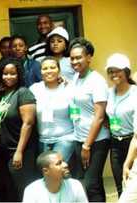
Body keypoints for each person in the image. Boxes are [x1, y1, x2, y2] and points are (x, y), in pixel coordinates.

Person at [68, 37, 110, 202]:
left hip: (96, 140)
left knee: (90, 183)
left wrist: (87, 145)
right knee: (94, 184)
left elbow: (99, 117)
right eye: (72, 58)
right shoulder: (76, 78)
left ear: (89, 58)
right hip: (79, 137)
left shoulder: (97, 81)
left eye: (79, 57)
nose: (75, 61)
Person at [0, 57, 38, 201]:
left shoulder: (23, 93)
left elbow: (28, 123)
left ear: (19, 74)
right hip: (3, 154)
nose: (9, 77)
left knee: (23, 192)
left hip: (21, 152)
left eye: (13, 73)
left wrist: (19, 152)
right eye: (5, 73)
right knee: (9, 193)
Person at [29, 57, 74, 162]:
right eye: (45, 68)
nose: (49, 71)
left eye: (52, 67)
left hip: (65, 138)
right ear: (40, 71)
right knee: (49, 172)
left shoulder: (68, 87)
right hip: (43, 140)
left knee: (53, 167)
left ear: (59, 70)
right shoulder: (34, 89)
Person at [105, 53, 137, 197]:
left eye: (118, 70)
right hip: (116, 143)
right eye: (111, 71)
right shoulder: (109, 93)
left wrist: (128, 162)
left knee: (132, 185)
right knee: (120, 185)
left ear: (126, 71)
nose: (114, 74)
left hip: (133, 142)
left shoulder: (135, 93)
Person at [23, 151, 88, 203]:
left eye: (63, 161)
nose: (65, 165)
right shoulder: (31, 190)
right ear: (46, 171)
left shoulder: (75, 185)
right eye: (59, 163)